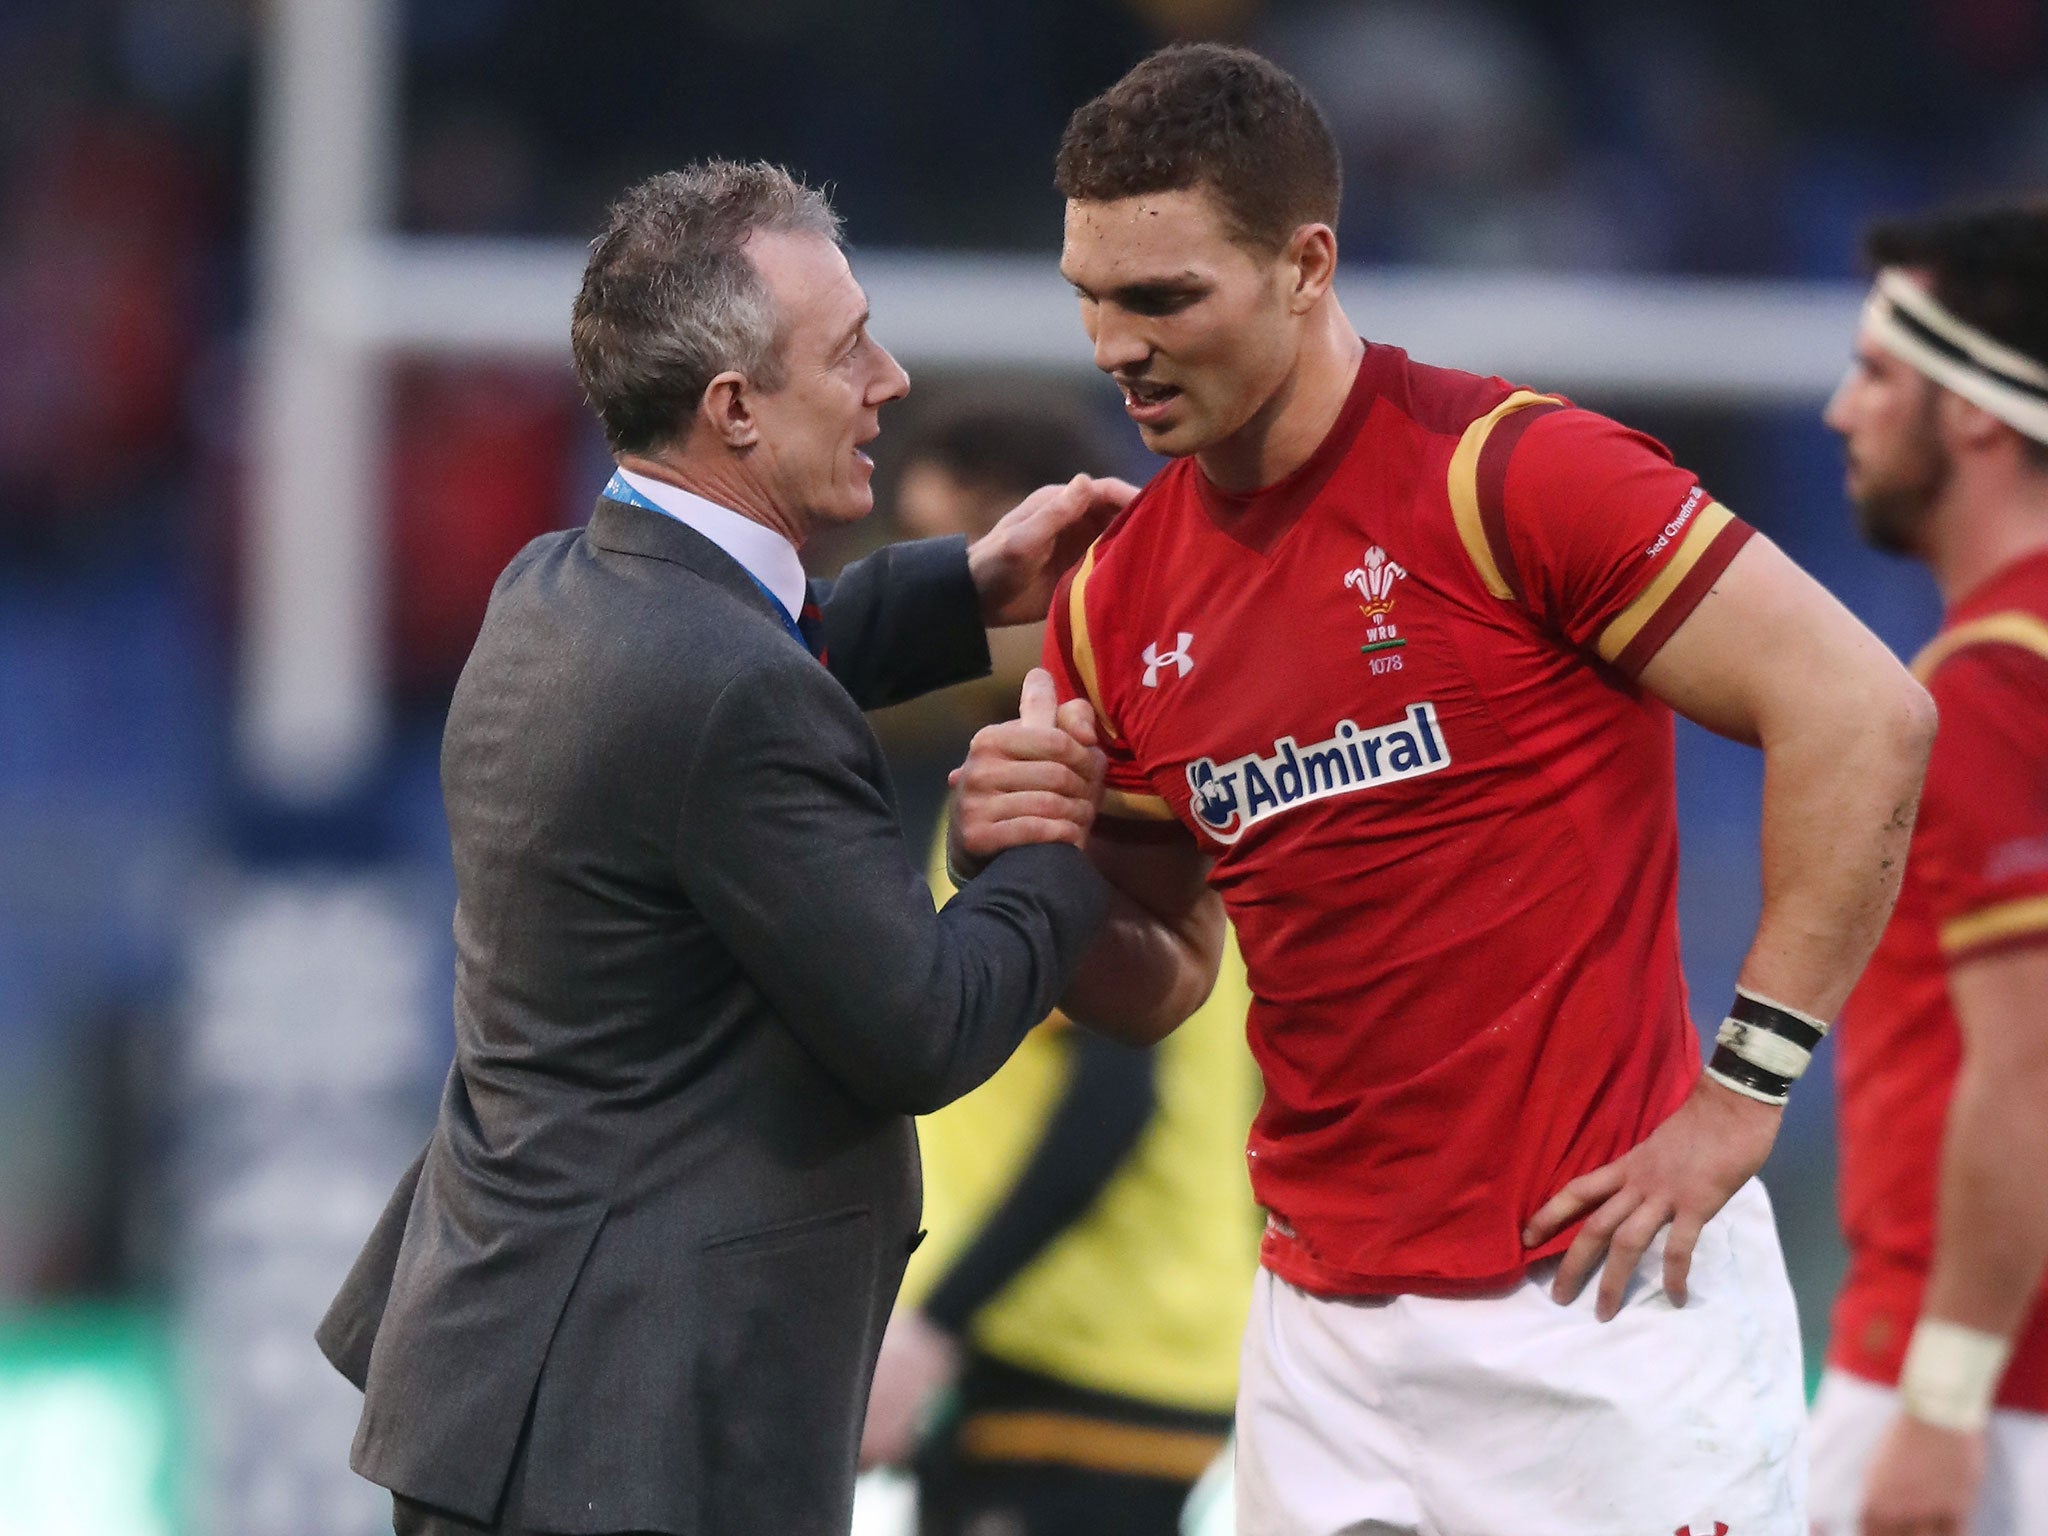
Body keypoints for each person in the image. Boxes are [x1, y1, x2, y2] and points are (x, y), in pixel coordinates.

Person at [950, 44, 1938, 1535]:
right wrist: (1028, 861)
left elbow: (1865, 712)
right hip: (1323, 1340)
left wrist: (1745, 1098)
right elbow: (1156, 981)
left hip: (1605, 1312)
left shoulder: (1513, 477)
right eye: (1091, 297)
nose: (1116, 347)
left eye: (1163, 298)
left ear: (1307, 264)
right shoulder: (1112, 599)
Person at [313, 161, 1133, 1536]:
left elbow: (739, 660)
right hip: (638, 1427)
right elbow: (924, 1027)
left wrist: (965, 585)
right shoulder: (724, 695)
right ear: (733, 408)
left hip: (527, 1380)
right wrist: (1054, 844)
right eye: (848, 348)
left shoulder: (558, 592)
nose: (892, 376)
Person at [859, 405, 1264, 1536]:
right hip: (1115, 1358)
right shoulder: (1084, 756)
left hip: (1077, 1363)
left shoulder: (1081, 772)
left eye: (974, 550)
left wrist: (936, 1324)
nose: (959, 593)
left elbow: (1111, 1096)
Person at [1811, 202, 2048, 1536]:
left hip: (1977, 1397)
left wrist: (1943, 1400)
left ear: (1974, 414)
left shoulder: (1992, 685)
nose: (1842, 412)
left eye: (1880, 373)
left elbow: (2029, 1066)